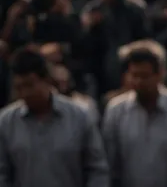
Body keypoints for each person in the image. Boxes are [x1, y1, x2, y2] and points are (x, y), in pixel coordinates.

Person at [0, 47, 109, 187]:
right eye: (19, 88)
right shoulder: (6, 122)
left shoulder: (79, 117)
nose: (25, 93)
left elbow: (97, 169)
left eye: (29, 85)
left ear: (46, 79)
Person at [101, 43, 167, 187]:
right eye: (134, 76)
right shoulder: (116, 111)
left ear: (160, 74)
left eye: (145, 76)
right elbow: (110, 163)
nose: (139, 82)